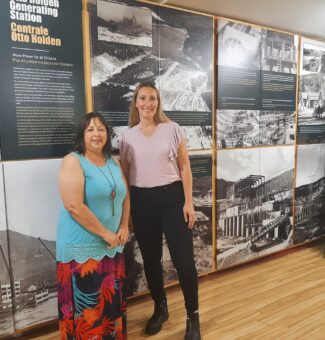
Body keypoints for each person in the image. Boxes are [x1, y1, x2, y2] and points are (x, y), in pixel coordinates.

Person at [119, 83, 200, 340]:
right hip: (142, 201)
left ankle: (192, 316)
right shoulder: (127, 137)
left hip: (172, 199)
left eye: (152, 98)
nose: (147, 103)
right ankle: (160, 307)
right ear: (135, 102)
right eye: (142, 98)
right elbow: (125, 175)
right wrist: (128, 212)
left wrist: (188, 202)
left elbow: (185, 167)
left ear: (158, 102)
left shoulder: (172, 129)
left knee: (184, 262)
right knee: (151, 261)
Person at [56, 112, 130, 339]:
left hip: (112, 247)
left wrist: (125, 226)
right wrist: (105, 233)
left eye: (101, 129)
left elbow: (125, 196)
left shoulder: (113, 162)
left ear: (107, 134)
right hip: (83, 251)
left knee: (109, 312)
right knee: (88, 315)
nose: (96, 134)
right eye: (90, 129)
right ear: (82, 135)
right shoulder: (73, 161)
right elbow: (73, 206)